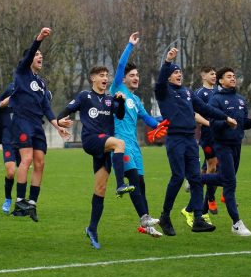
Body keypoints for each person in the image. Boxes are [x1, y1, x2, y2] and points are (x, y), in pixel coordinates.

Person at [154, 48, 236, 236]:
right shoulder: (163, 91)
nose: (179, 75)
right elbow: (159, 81)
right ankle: (165, 215)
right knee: (177, 177)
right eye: (175, 72)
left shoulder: (188, 93)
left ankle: (198, 218)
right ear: (168, 77)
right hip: (175, 139)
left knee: (196, 178)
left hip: (190, 140)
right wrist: (167, 61)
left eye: (180, 72)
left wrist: (225, 117)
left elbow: (205, 108)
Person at [58, 66, 134, 249]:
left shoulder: (109, 99)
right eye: (101, 75)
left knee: (100, 188)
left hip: (104, 147)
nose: (105, 78)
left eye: (106, 76)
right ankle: (121, 184)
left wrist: (121, 102)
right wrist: (60, 121)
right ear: (93, 78)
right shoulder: (85, 96)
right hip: (91, 140)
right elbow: (65, 111)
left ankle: (92, 228)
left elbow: (121, 115)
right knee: (120, 144)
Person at [10, 27, 70, 221]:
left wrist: (57, 126)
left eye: (41, 55)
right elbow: (29, 54)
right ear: (29, 59)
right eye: (36, 55)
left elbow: (47, 108)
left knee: (40, 163)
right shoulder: (21, 73)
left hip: (37, 125)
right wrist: (39, 39)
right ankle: (19, 199)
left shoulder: (41, 83)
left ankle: (32, 204)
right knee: (25, 159)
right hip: (22, 122)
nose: (40, 57)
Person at [109, 32, 163, 237]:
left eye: (137, 75)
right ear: (123, 78)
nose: (136, 77)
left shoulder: (137, 100)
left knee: (140, 184)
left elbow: (149, 120)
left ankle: (147, 225)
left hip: (135, 146)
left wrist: (166, 121)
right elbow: (121, 66)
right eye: (132, 75)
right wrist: (130, 45)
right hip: (120, 143)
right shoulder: (117, 87)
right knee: (132, 179)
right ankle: (144, 219)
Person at [201, 67, 251, 236]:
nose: (233, 79)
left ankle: (195, 177)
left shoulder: (240, 100)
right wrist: (226, 123)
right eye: (229, 76)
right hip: (222, 145)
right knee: (230, 183)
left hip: (237, 145)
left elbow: (241, 124)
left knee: (227, 181)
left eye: (234, 76)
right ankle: (236, 223)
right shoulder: (215, 100)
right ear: (220, 81)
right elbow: (213, 125)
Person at [0, 82, 20, 214]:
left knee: (23, 173)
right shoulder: (4, 104)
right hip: (9, 143)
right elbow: (0, 104)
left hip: (23, 142)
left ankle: (22, 201)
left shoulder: (24, 105)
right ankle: (8, 199)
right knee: (11, 172)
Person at [194, 66, 219, 215]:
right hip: (208, 135)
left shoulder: (218, 92)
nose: (214, 76)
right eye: (211, 74)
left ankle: (194, 180)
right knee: (213, 166)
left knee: (212, 167)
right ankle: (210, 198)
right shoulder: (199, 93)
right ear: (203, 76)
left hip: (220, 135)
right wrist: (209, 123)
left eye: (215, 74)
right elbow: (196, 114)